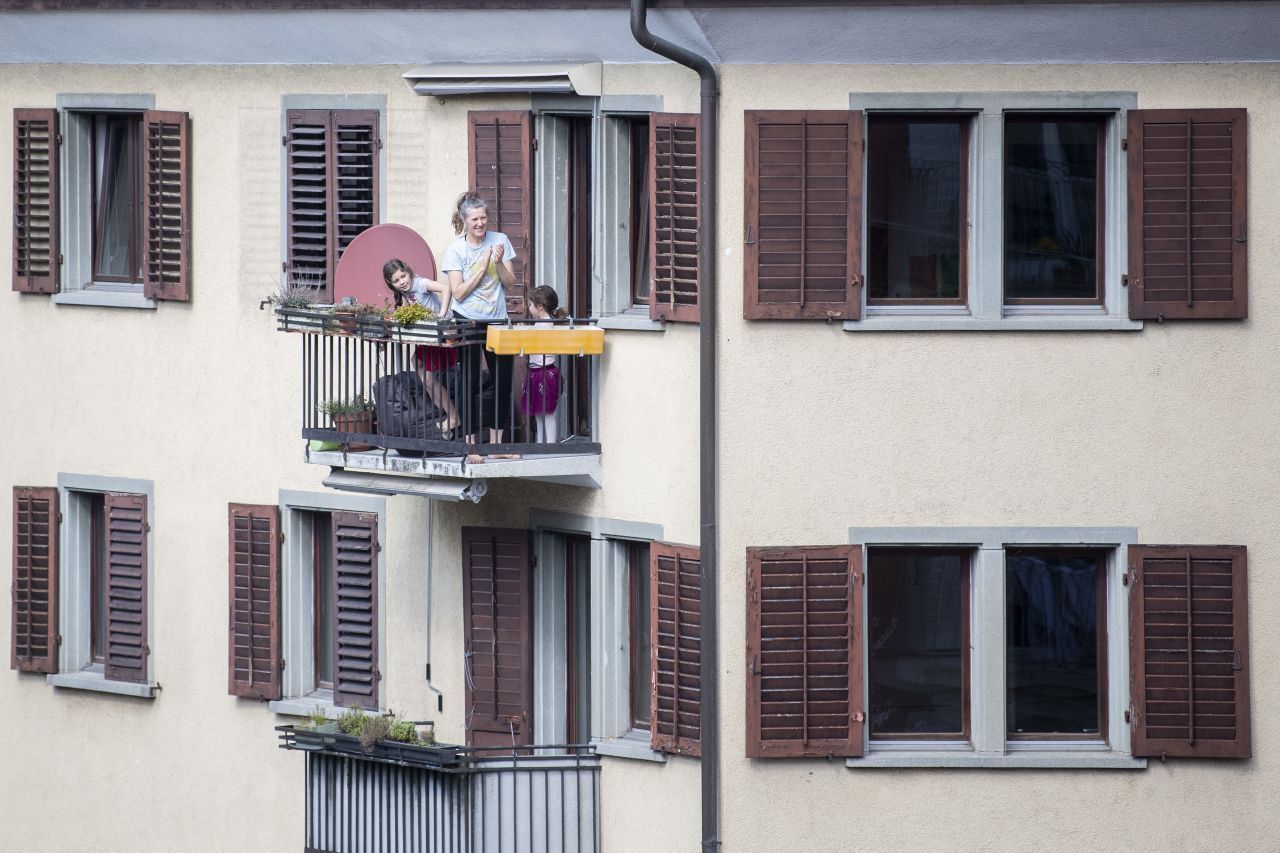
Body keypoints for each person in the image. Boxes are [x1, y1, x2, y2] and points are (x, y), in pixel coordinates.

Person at [440, 193, 518, 446]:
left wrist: (499, 264)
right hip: (468, 321)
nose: (480, 223)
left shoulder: (500, 240)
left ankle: (496, 444)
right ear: (465, 220)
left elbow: (510, 284)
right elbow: (459, 292)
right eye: (474, 219)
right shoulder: (456, 250)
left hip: (497, 320)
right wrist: (483, 267)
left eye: (483, 218)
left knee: (502, 383)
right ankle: (470, 444)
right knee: (469, 382)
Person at [382, 259, 460, 435]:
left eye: (403, 276)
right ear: (390, 283)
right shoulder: (405, 292)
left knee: (429, 381)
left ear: (408, 271)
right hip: (425, 335)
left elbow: (446, 288)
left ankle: (453, 416)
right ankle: (441, 408)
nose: (402, 281)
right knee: (415, 362)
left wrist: (441, 314)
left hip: (436, 334)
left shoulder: (419, 283)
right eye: (396, 280)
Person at [520, 286, 565, 444]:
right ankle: (541, 444)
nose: (529, 308)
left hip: (544, 373)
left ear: (539, 306)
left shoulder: (546, 324)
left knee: (546, 412)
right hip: (537, 371)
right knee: (540, 411)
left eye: (531, 304)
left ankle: (550, 445)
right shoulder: (541, 323)